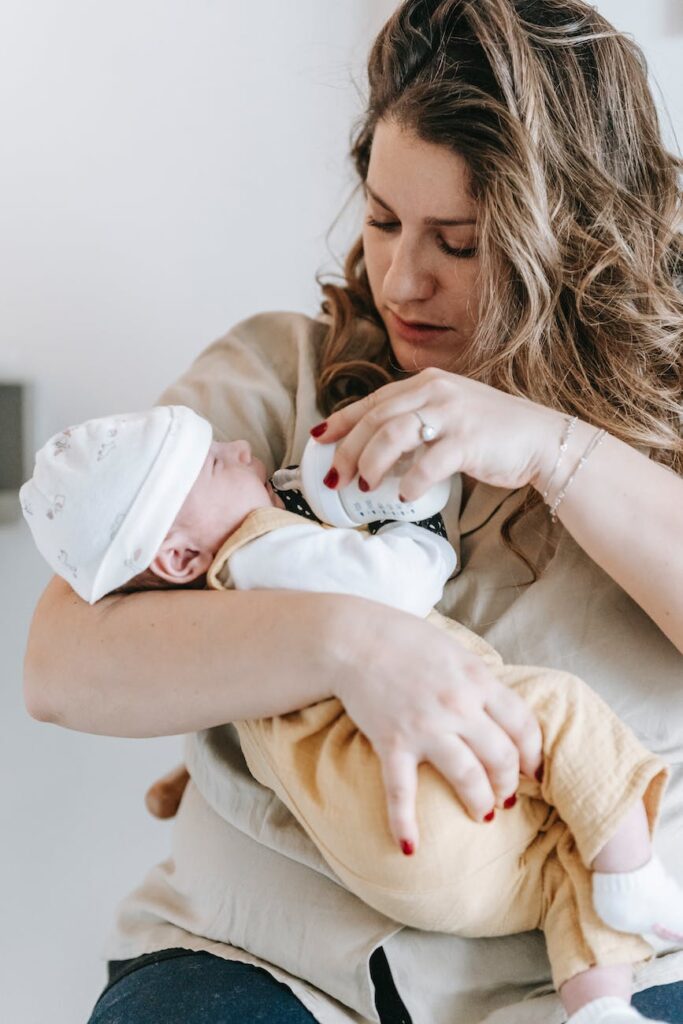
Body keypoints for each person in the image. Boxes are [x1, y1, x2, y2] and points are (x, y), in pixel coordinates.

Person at [22, 2, 683, 1023]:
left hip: (585, 976)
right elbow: (60, 666)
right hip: (256, 958)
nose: (400, 278)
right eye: (380, 220)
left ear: (572, 240)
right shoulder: (275, 380)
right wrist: (348, 644)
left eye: (456, 243)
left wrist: (556, 451)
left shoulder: (657, 432)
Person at [19, 402, 683, 1022]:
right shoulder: (257, 545)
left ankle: (599, 1002)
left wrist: (552, 447)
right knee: (563, 720)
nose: (242, 447)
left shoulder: (222, 612)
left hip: (411, 862)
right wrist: (417, 527)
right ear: (177, 556)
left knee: (566, 862)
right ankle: (629, 873)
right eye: (218, 461)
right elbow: (392, 586)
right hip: (430, 814)